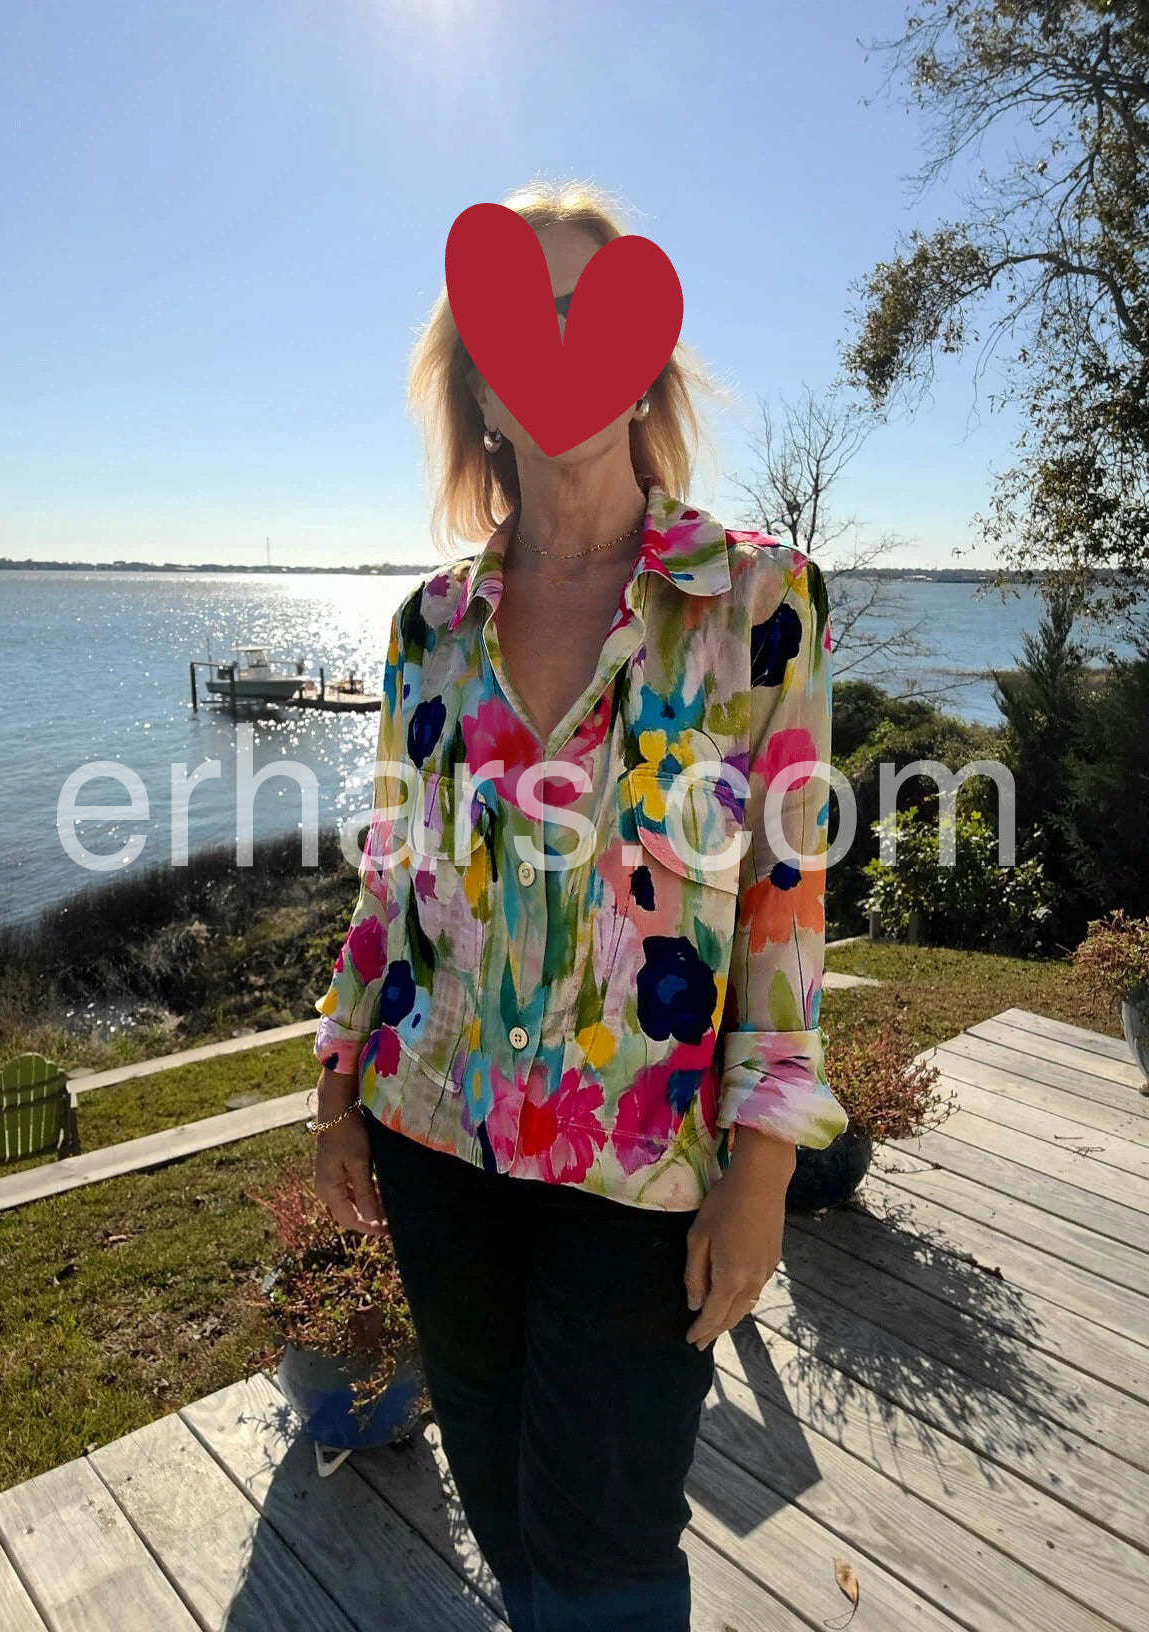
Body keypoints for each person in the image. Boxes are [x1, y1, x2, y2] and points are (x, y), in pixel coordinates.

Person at [308, 178, 848, 1632]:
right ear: (479, 391)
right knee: (504, 1512)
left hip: (643, 1170)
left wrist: (763, 1171)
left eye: (583, 312)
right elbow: (391, 875)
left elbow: (786, 907)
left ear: (646, 366)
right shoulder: (427, 627)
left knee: (608, 1550)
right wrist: (336, 1093)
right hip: (436, 1135)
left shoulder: (759, 601)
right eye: (516, 324)